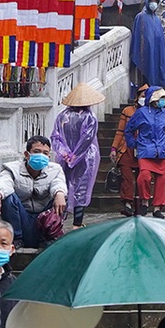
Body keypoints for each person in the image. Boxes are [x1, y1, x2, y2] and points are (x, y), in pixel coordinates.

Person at [0, 135, 69, 246]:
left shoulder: (55, 169)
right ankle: (15, 239)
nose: (41, 155)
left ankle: (49, 238)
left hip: (44, 220)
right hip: (22, 220)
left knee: (62, 197)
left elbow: (58, 183)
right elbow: (4, 182)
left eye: (45, 153)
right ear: (27, 155)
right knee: (7, 196)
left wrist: (60, 194)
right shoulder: (12, 168)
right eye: (37, 151)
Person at [51, 82, 104, 227]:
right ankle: (77, 223)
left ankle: (57, 223)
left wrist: (65, 154)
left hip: (64, 158)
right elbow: (87, 139)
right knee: (82, 188)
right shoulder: (90, 117)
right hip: (86, 158)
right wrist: (74, 157)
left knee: (63, 186)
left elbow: (55, 138)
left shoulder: (62, 116)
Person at [126, 87, 165, 217]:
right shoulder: (141, 113)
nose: (163, 101)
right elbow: (129, 129)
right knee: (144, 177)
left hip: (163, 150)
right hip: (145, 149)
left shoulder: (164, 112)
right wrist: (134, 144)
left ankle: (157, 208)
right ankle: (145, 201)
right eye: (161, 98)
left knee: (161, 180)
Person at [111, 89, 144, 218]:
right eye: (142, 96)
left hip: (143, 148)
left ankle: (140, 204)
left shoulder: (151, 112)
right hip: (126, 148)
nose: (144, 98)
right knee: (126, 177)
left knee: (142, 179)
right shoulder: (127, 111)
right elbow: (120, 131)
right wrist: (114, 148)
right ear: (136, 97)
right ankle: (127, 204)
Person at [131, 0, 165, 89]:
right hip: (145, 52)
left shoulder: (157, 19)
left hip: (156, 51)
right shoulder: (140, 17)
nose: (153, 4)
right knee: (145, 74)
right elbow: (137, 35)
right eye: (152, 2)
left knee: (157, 70)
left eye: (155, 2)